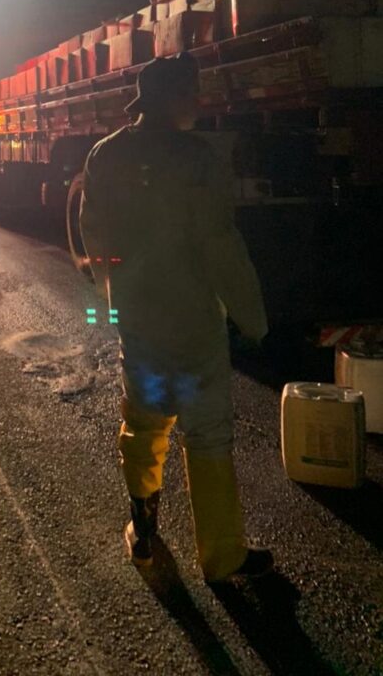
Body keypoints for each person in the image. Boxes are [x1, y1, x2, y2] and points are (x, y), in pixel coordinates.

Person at [79, 54, 273, 582]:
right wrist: (253, 320)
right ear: (175, 99)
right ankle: (221, 557)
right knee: (206, 434)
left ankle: (143, 534)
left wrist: (112, 296)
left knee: (144, 423)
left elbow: (93, 232)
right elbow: (219, 244)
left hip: (139, 318)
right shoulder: (198, 159)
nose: (199, 102)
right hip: (193, 322)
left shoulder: (105, 154)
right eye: (193, 93)